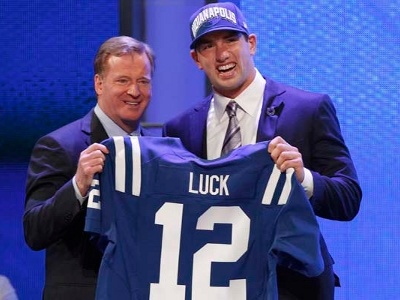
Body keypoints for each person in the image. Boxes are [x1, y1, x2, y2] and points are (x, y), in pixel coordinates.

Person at [163, 2, 362, 300]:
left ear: (251, 44)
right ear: (196, 59)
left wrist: (304, 178)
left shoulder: (308, 109)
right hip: (212, 285)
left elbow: (348, 199)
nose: (222, 54)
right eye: (208, 46)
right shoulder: (180, 129)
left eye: (231, 39)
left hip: (292, 285)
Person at [23, 36, 155, 299]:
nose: (134, 91)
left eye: (143, 81)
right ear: (99, 83)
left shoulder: (158, 151)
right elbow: (34, 231)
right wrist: (78, 185)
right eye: (123, 80)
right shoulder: (59, 146)